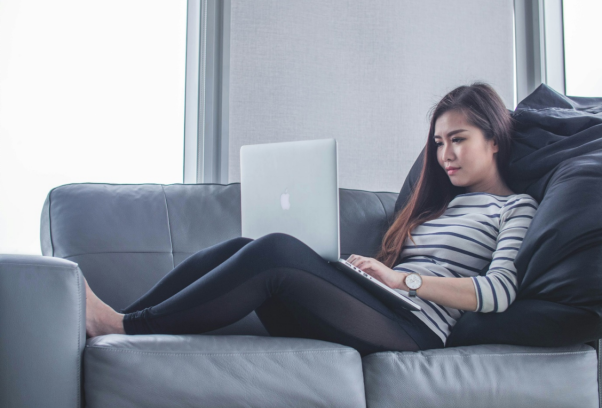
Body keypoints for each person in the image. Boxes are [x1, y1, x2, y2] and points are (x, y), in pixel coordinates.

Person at [84, 82, 539, 356]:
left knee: (276, 250)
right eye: (438, 143)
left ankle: (122, 326)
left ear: (494, 139)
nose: (444, 155)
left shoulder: (515, 207)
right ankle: (124, 320)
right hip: (377, 308)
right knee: (247, 247)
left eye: (457, 139)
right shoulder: (438, 205)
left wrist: (404, 282)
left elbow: (498, 292)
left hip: (416, 329)